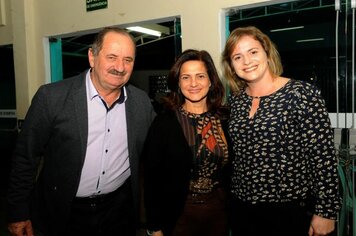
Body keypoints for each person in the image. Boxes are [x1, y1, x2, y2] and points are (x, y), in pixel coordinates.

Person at [7, 27, 155, 236]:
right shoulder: (51, 98)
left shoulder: (141, 103)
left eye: (128, 60)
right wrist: (18, 212)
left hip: (119, 212)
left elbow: (159, 151)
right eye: (112, 57)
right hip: (64, 212)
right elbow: (25, 158)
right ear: (92, 57)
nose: (120, 67)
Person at [221, 25, 341, 236]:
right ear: (231, 65)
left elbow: (323, 157)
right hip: (242, 208)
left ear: (267, 53)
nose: (247, 61)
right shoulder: (236, 101)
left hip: (290, 210)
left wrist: (326, 212)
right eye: (237, 57)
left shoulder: (301, 94)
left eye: (253, 52)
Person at [143, 49, 231, 236]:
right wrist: (154, 226)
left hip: (219, 214)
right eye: (185, 77)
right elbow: (152, 180)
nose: (193, 84)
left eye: (200, 76)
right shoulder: (164, 123)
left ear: (210, 80)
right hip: (178, 217)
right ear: (178, 83)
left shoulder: (225, 119)